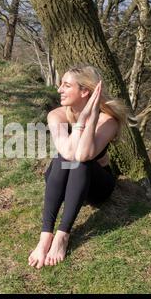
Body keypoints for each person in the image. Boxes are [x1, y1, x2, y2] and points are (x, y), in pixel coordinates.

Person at [28, 65, 128, 269]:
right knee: (62, 157)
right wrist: (80, 121)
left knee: (80, 162)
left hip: (97, 185)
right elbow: (66, 153)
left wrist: (88, 120)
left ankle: (62, 236)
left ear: (85, 92)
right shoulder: (56, 115)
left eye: (66, 85)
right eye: (60, 85)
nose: (59, 90)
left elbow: (83, 155)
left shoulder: (108, 121)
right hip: (63, 180)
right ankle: (45, 236)